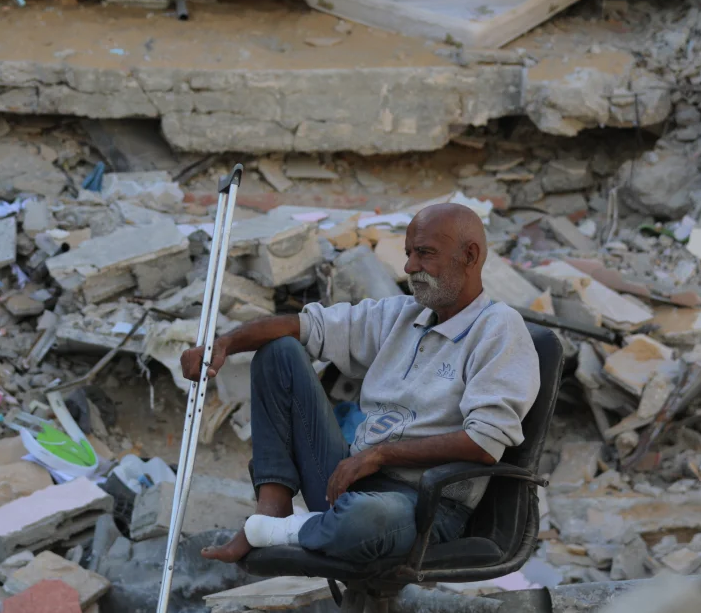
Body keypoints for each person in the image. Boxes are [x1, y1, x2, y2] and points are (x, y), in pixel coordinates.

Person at [187, 203, 540, 566]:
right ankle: (273, 510)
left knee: (364, 520)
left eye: (425, 253)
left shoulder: (498, 328)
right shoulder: (401, 314)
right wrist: (223, 344)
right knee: (278, 352)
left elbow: (484, 443)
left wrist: (379, 454)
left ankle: (281, 531)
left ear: (470, 255)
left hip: (424, 504)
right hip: (347, 481)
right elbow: (307, 326)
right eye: (408, 253)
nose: (410, 267)